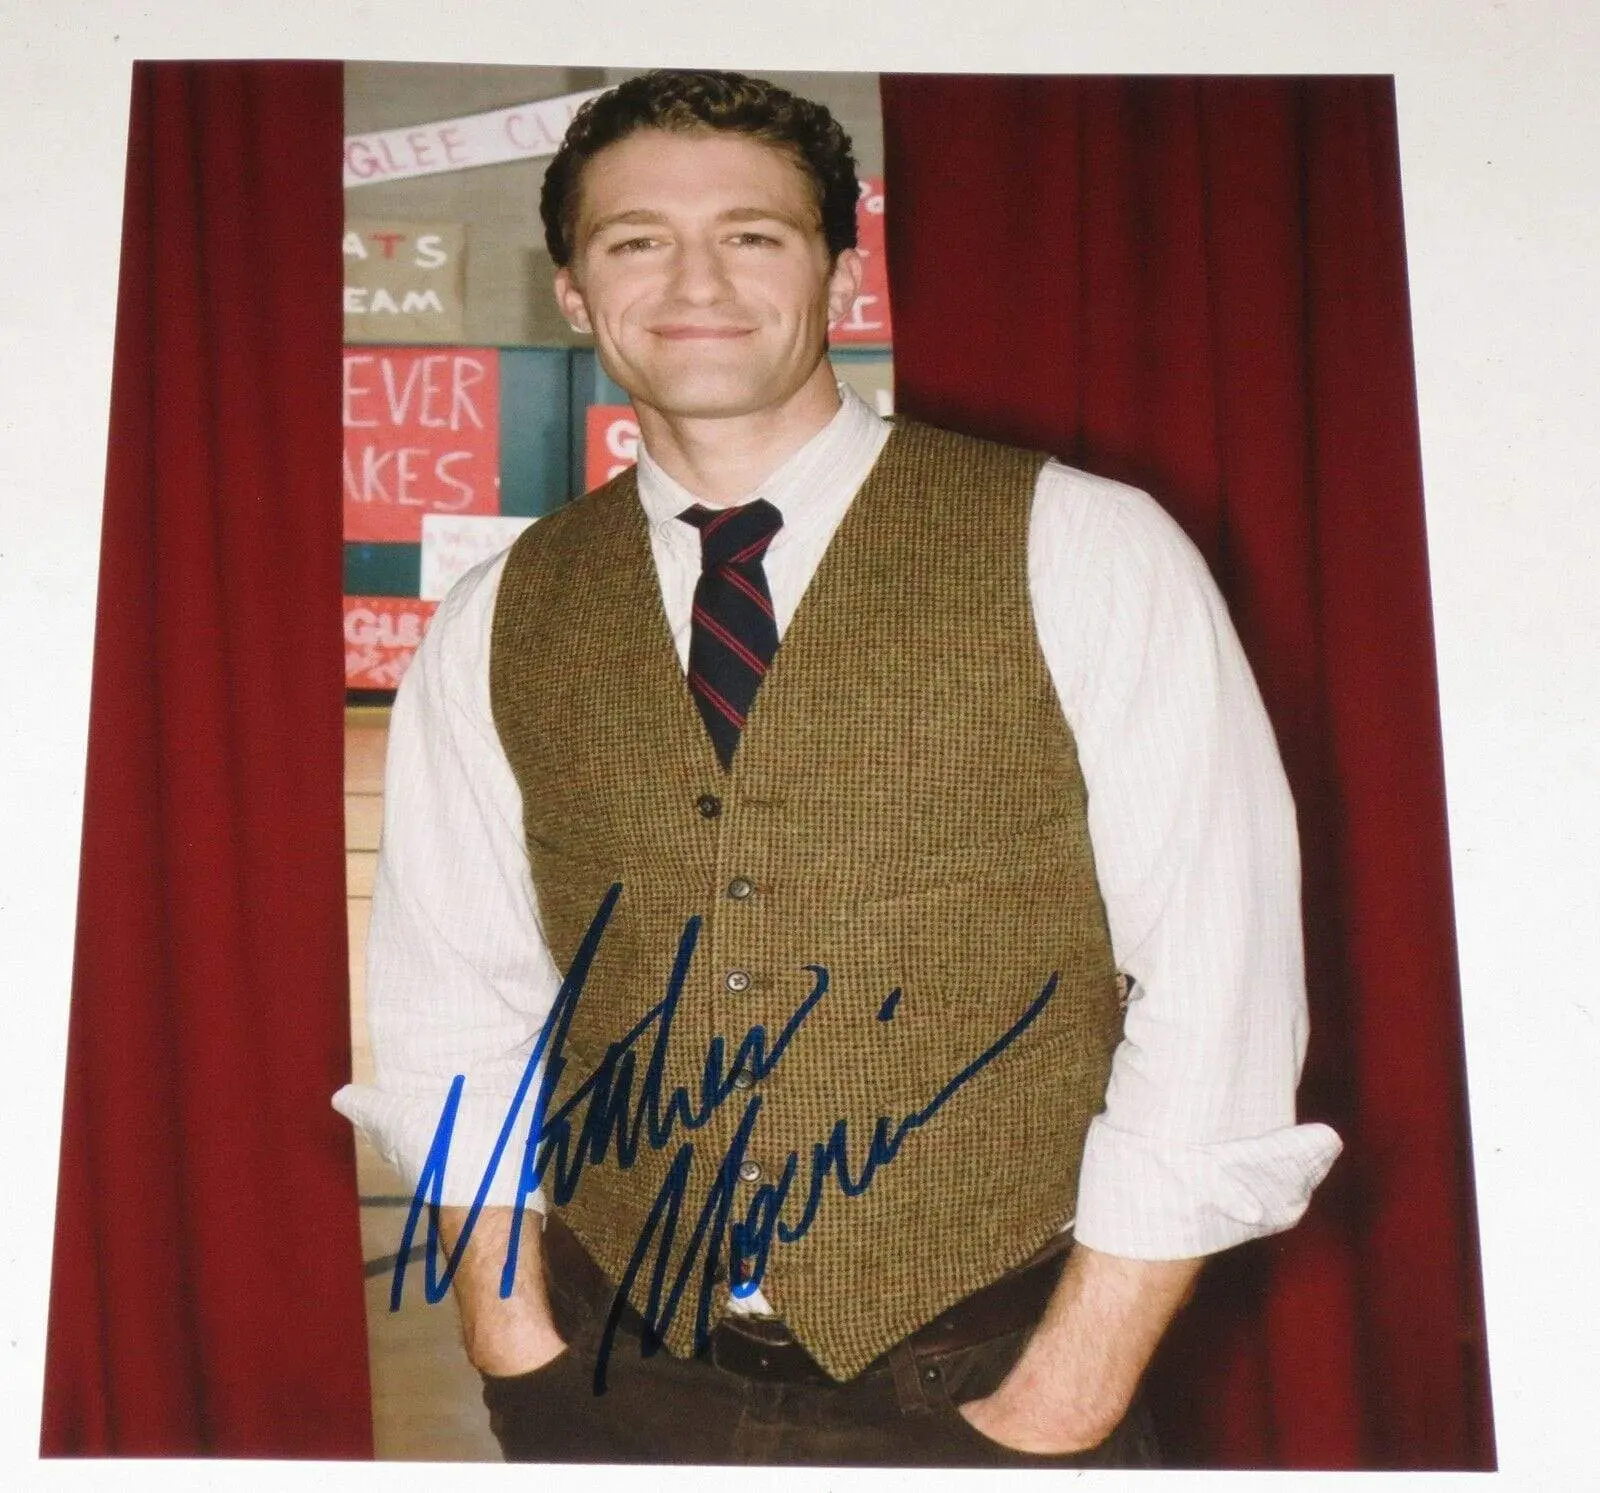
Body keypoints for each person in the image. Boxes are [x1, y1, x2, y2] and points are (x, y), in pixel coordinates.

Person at [333, 68, 1341, 1468]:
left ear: (842, 275)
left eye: (751, 234)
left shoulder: (1087, 548)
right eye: (636, 240)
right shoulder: (502, 611)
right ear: (573, 291)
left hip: (988, 1384)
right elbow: (457, 1001)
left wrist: (1062, 1400)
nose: (696, 279)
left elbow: (1221, 990)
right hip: (614, 1379)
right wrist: (515, 1345)